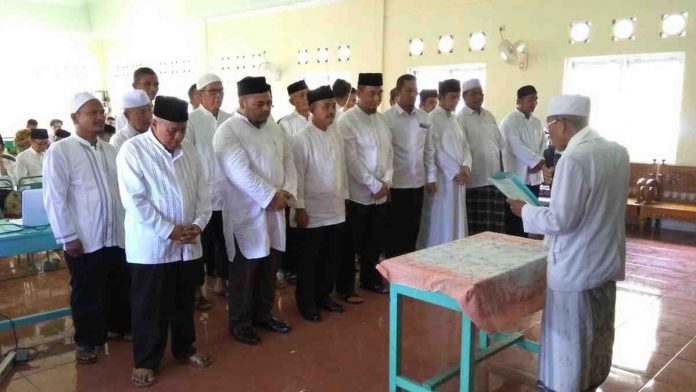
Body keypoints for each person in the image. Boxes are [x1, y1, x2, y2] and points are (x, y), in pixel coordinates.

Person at [507, 95, 629, 392]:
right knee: (596, 332)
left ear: (562, 123)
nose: (550, 136)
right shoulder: (617, 151)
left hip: (575, 265)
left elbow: (561, 220)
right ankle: (590, 381)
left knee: (569, 340)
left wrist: (524, 210)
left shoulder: (574, 159)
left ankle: (565, 386)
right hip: (604, 258)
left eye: (550, 129)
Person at [117, 96, 212, 387]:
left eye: (182, 130)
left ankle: (186, 349)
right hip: (151, 248)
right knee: (150, 307)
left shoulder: (190, 151)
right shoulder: (133, 151)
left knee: (184, 301)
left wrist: (198, 224)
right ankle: (146, 360)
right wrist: (167, 229)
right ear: (154, 123)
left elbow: (204, 194)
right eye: (172, 130)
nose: (178, 136)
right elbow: (135, 201)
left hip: (187, 244)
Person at [43, 92, 128, 365]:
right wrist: (68, 236)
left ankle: (118, 327)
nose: (99, 117)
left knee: (117, 284)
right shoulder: (61, 151)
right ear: (74, 118)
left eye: (101, 112)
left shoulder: (110, 149)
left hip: (114, 233)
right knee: (87, 290)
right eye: (92, 113)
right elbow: (55, 197)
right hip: (84, 237)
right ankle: (88, 341)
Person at [213, 76, 296, 345]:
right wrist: (271, 196)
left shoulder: (272, 125)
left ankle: (264, 314)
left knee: (270, 267)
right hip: (245, 215)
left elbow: (288, 159)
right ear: (242, 103)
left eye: (269, 103)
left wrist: (288, 192)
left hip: (275, 209)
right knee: (245, 272)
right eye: (259, 103)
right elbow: (239, 173)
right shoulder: (228, 131)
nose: (266, 108)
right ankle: (240, 322)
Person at [291, 85, 347, 321]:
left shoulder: (336, 133)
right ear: (312, 109)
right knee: (309, 261)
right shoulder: (301, 139)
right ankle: (306, 302)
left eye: (333, 106)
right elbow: (298, 176)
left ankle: (324, 296)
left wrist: (344, 198)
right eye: (326, 107)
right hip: (311, 211)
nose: (332, 111)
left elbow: (341, 169)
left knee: (330, 257)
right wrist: (300, 208)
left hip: (335, 207)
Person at [337, 72, 393, 302]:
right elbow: (351, 160)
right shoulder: (347, 121)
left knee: (374, 240)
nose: (376, 98)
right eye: (371, 93)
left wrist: (387, 182)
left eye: (379, 93)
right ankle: (345, 288)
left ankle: (370, 279)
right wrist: (372, 184)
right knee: (351, 244)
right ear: (358, 93)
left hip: (381, 193)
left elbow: (390, 153)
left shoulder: (382, 120)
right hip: (358, 193)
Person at [186, 73, 231, 303]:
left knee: (225, 239)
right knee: (200, 243)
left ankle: (222, 281)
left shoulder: (230, 119)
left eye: (221, 90)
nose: (218, 95)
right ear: (200, 94)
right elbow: (189, 157)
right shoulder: (191, 121)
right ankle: (199, 289)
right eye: (212, 91)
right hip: (202, 193)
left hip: (227, 192)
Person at [384, 74, 435, 257]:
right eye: (408, 91)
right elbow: (386, 154)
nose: (413, 95)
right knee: (395, 231)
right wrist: (386, 183)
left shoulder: (424, 117)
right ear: (398, 93)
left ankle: (409, 271)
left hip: (418, 183)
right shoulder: (387, 119)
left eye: (415, 91)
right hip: (397, 184)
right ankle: (393, 271)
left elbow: (429, 150)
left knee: (414, 229)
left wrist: (431, 177)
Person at [418, 79, 471, 248]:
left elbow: (465, 146)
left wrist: (466, 166)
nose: (456, 101)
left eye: (458, 97)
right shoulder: (431, 118)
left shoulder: (455, 120)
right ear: (441, 97)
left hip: (459, 180)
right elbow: (435, 150)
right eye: (452, 97)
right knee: (441, 221)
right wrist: (456, 171)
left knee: (457, 220)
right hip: (443, 180)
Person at [456, 78, 506, 235]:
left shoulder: (489, 116)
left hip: (494, 179)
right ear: (464, 97)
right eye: (474, 94)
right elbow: (461, 151)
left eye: (481, 93)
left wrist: (503, 174)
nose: (478, 97)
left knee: (494, 225)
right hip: (475, 181)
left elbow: (500, 146)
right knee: (476, 227)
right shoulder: (460, 119)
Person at [500, 85, 549, 236]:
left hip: (534, 177)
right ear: (519, 101)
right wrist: (535, 162)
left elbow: (544, 143)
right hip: (516, 176)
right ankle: (513, 244)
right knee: (515, 215)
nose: (534, 103)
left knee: (529, 212)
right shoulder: (509, 121)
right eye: (530, 100)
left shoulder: (537, 122)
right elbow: (516, 146)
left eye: (536, 100)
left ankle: (526, 242)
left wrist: (539, 162)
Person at [277, 80, 310, 285]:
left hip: (314, 184)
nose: (306, 98)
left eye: (308, 94)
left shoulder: (316, 119)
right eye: (301, 95)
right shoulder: (286, 124)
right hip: (294, 183)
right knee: (295, 228)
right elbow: (286, 158)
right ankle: (291, 268)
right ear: (292, 100)